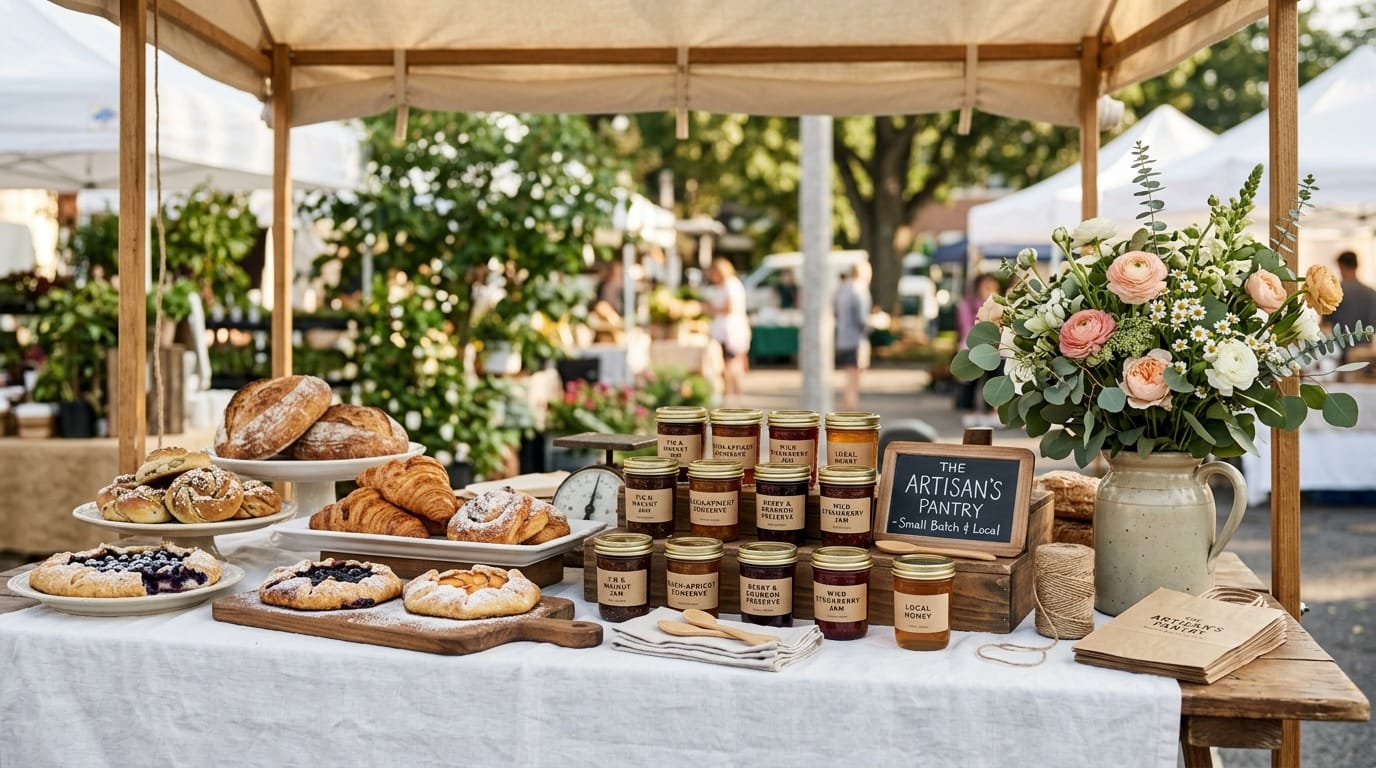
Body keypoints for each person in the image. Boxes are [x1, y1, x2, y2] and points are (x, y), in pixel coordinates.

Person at [957, 273, 1002, 428]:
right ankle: (969, 410)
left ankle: (991, 410)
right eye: (985, 284)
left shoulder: (998, 302)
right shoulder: (968, 303)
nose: (989, 288)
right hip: (972, 345)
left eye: (992, 284)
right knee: (971, 380)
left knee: (993, 377)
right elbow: (966, 326)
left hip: (994, 347)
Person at [706, 257, 751, 401]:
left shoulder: (731, 285)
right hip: (725, 329)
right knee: (730, 360)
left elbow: (730, 307)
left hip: (731, 330)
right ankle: (732, 390)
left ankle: (733, 390)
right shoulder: (725, 285)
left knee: (731, 360)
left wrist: (713, 309)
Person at [834, 261, 872, 412]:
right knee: (855, 376)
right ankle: (851, 408)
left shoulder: (842, 289)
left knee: (849, 374)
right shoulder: (859, 290)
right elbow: (861, 319)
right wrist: (876, 322)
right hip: (856, 339)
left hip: (843, 338)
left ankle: (846, 404)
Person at [1325, 251, 1376, 360]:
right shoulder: (1371, 293)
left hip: (1342, 352)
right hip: (1366, 353)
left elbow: (1325, 323)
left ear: (1341, 266)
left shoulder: (1336, 292)